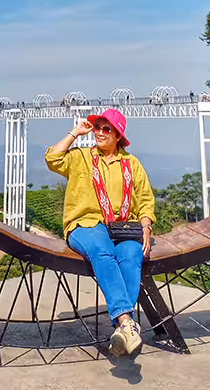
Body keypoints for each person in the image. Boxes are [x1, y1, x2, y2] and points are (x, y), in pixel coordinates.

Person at [45, 107, 155, 358]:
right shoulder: (81, 157)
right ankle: (127, 321)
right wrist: (76, 132)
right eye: (98, 127)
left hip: (123, 226)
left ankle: (122, 329)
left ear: (118, 136)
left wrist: (146, 225)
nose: (100, 132)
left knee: (132, 255)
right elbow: (53, 158)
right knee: (102, 251)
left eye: (107, 129)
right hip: (86, 225)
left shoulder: (131, 163)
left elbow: (145, 199)